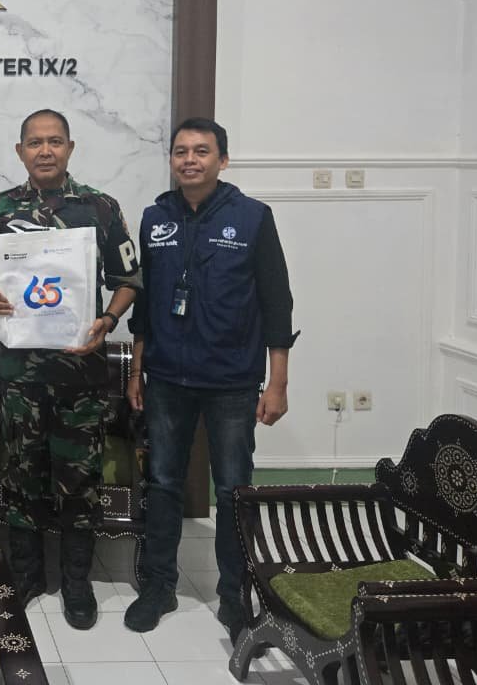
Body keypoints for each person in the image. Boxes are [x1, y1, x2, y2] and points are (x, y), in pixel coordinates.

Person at [123, 117, 297, 641]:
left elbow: (277, 301)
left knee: (232, 489)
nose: (190, 160)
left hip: (232, 380)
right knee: (163, 484)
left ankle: (234, 595)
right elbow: (145, 303)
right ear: (171, 160)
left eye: (201, 151)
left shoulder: (253, 217)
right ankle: (158, 587)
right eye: (181, 151)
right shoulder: (155, 217)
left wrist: (278, 382)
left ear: (222, 160)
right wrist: (137, 369)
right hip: (166, 378)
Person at [0, 109, 141, 630]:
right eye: (35, 142)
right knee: (20, 476)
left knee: (79, 481)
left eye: (55, 141)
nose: (45, 151)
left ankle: (76, 584)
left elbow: (129, 278)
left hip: (81, 374)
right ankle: (26, 575)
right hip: (21, 373)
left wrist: (109, 319)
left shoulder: (100, 207)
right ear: (19, 150)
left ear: (70, 147)